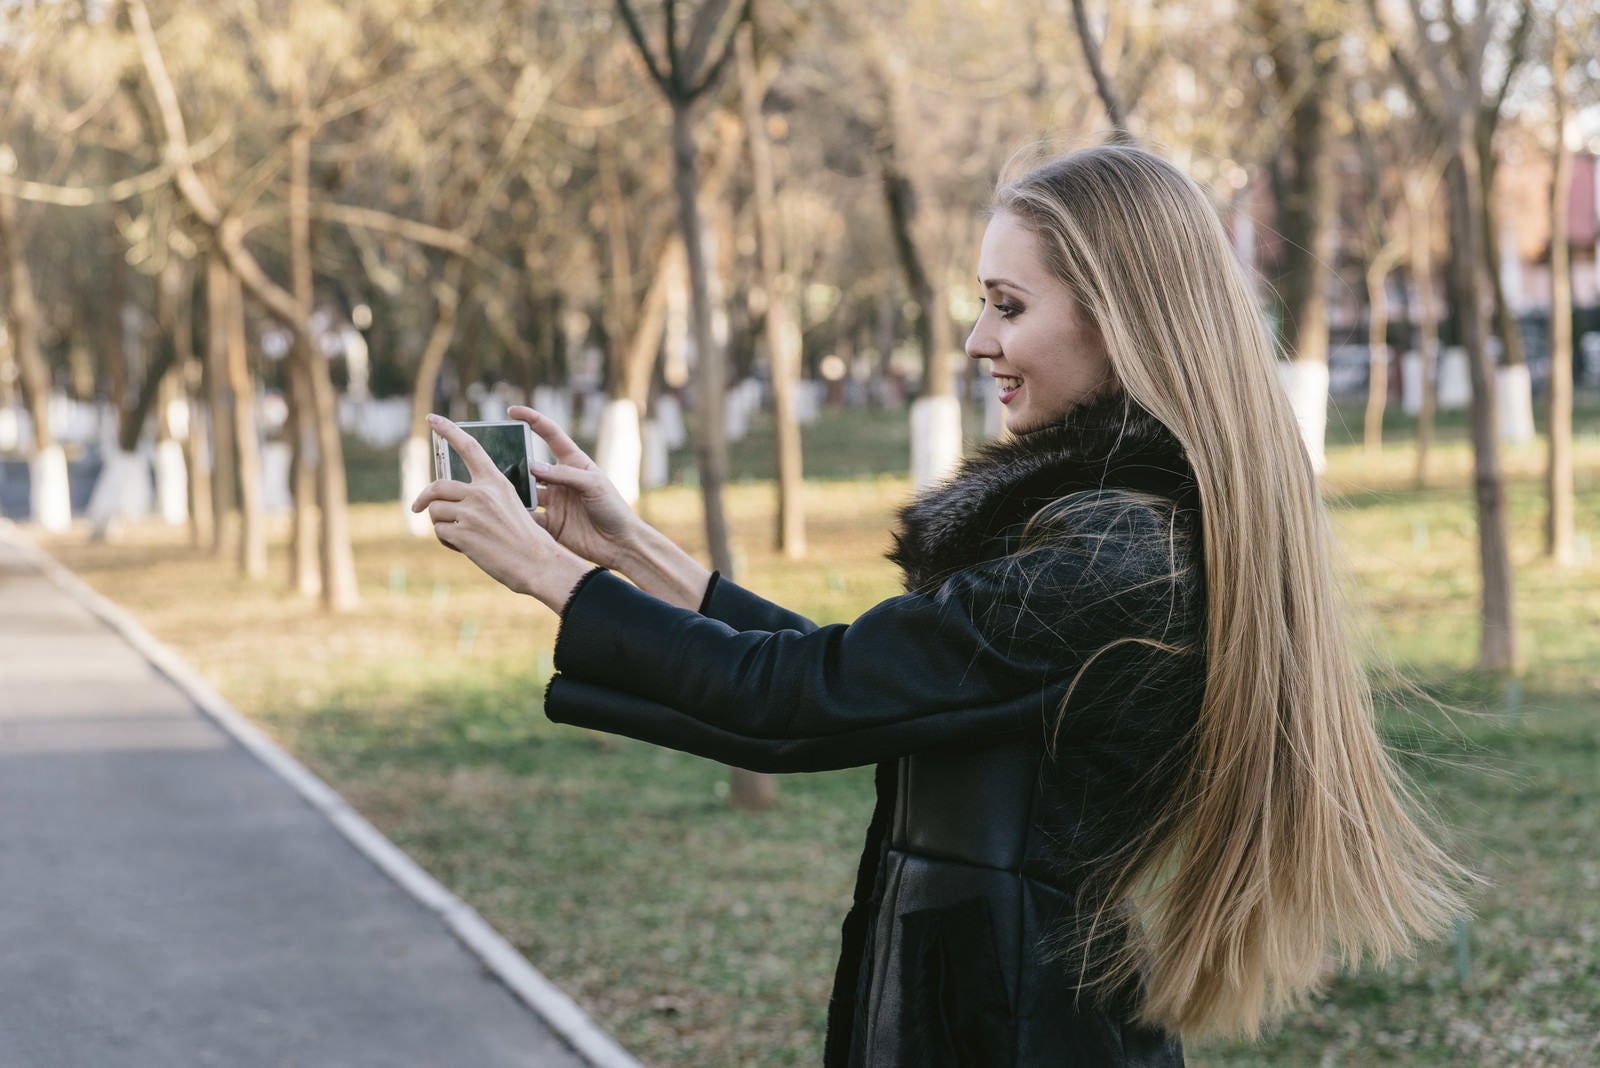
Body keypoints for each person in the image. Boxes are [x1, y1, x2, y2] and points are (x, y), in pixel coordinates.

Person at [413, 144, 1465, 1067]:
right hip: (981, 1003)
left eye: (1007, 306)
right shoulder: (1100, 531)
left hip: (1015, 1025)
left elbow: (801, 702)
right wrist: (631, 550)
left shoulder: (1116, 556)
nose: (975, 340)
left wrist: (552, 578)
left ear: (1122, 320)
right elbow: (867, 681)